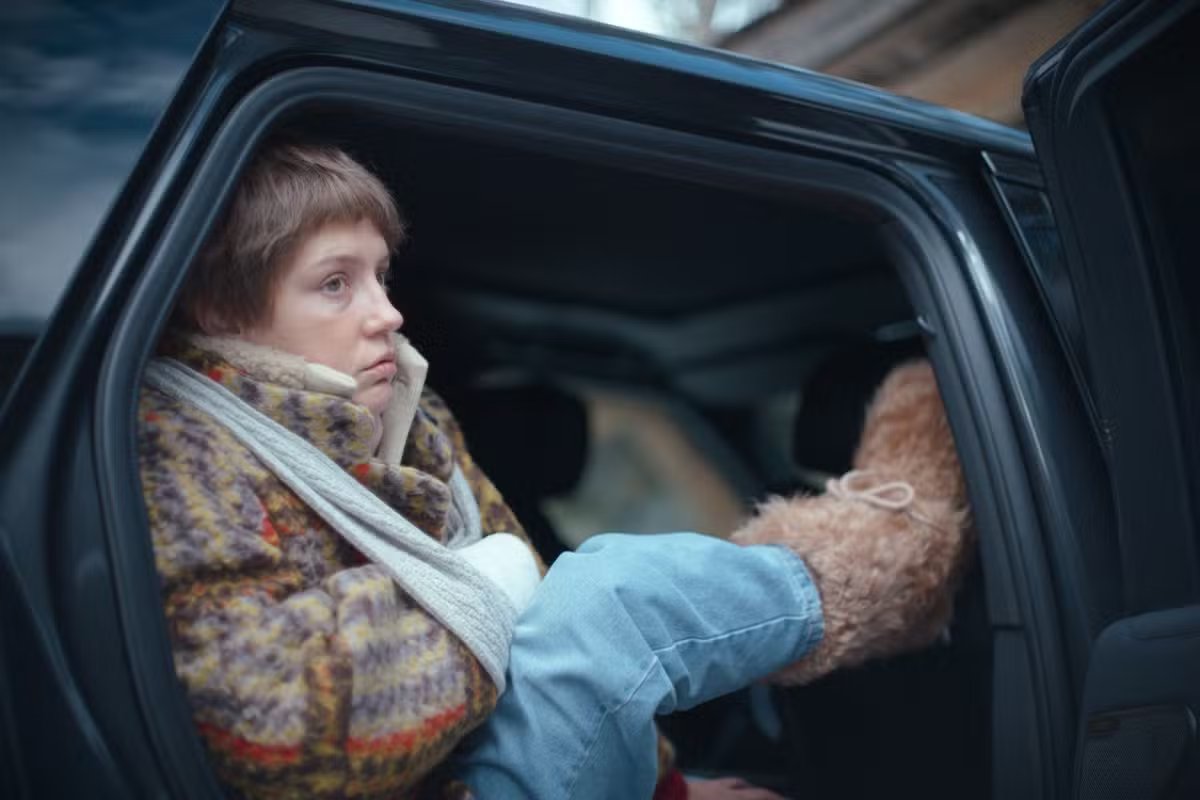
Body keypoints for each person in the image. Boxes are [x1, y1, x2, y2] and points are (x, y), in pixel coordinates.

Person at [138, 141, 971, 800]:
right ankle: (892, 551)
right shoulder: (178, 451)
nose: (386, 312)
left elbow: (537, 662)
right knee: (609, 601)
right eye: (334, 284)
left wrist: (669, 789)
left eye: (381, 276)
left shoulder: (412, 420)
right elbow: (268, 727)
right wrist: (484, 588)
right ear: (223, 309)